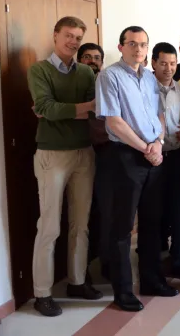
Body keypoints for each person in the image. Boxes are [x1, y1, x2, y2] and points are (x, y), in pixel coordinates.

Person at [96, 26, 176, 312]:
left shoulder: (150, 78)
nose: (138, 49)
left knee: (152, 224)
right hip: (126, 157)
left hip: (153, 154)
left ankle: (152, 280)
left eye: (143, 44)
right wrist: (145, 148)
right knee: (122, 227)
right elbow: (114, 121)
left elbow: (159, 114)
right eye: (132, 44)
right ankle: (124, 291)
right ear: (121, 47)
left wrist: (158, 141)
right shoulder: (110, 76)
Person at [27, 17, 101, 317]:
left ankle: (77, 281)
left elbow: (98, 109)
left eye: (78, 37)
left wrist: (59, 111)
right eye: (68, 36)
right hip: (52, 156)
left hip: (85, 153)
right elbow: (45, 108)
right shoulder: (39, 70)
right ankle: (41, 293)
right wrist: (81, 108)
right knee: (49, 227)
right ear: (55, 36)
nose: (73, 41)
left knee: (80, 225)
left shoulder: (85, 71)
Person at [151, 42, 180, 280]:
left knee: (179, 209)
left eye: (173, 63)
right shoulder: (144, 87)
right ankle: (153, 259)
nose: (168, 68)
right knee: (153, 211)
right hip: (150, 156)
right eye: (163, 63)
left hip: (175, 155)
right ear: (153, 63)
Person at [77, 43, 111, 282]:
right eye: (87, 57)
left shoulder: (107, 83)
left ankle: (106, 263)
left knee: (106, 213)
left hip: (107, 155)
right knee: (83, 215)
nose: (92, 61)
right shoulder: (74, 86)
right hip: (80, 154)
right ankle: (82, 269)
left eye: (97, 58)